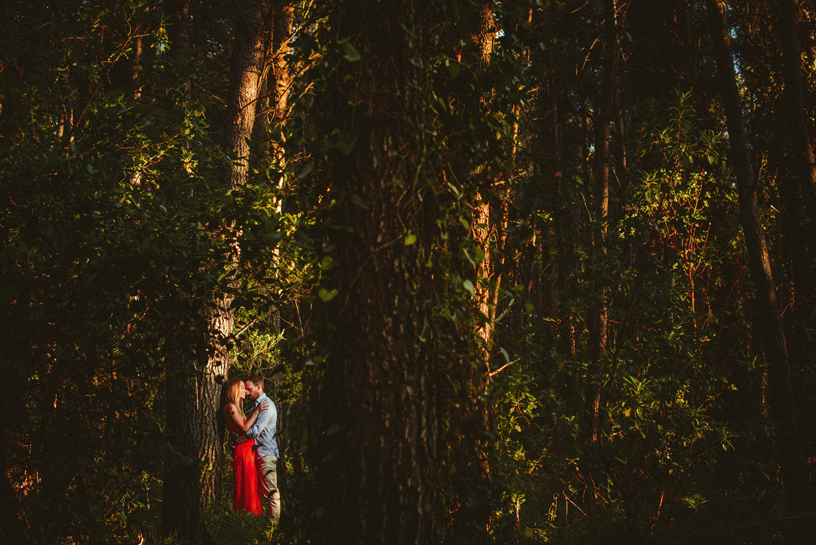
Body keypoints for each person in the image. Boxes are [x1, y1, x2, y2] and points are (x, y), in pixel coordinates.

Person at [222, 377, 268, 515]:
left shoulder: (236, 408)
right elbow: (244, 429)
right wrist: (257, 411)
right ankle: (244, 512)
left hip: (248, 449)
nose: (245, 392)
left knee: (251, 482)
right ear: (235, 389)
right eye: (242, 388)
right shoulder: (230, 407)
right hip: (243, 451)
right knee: (244, 482)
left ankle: (252, 512)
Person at [241, 373, 281, 522]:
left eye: (249, 389)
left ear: (259, 387)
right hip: (259, 454)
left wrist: (238, 440)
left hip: (266, 454)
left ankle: (274, 528)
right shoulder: (256, 407)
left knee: (271, 493)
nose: (246, 392)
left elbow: (254, 431)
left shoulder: (267, 405)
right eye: (245, 389)